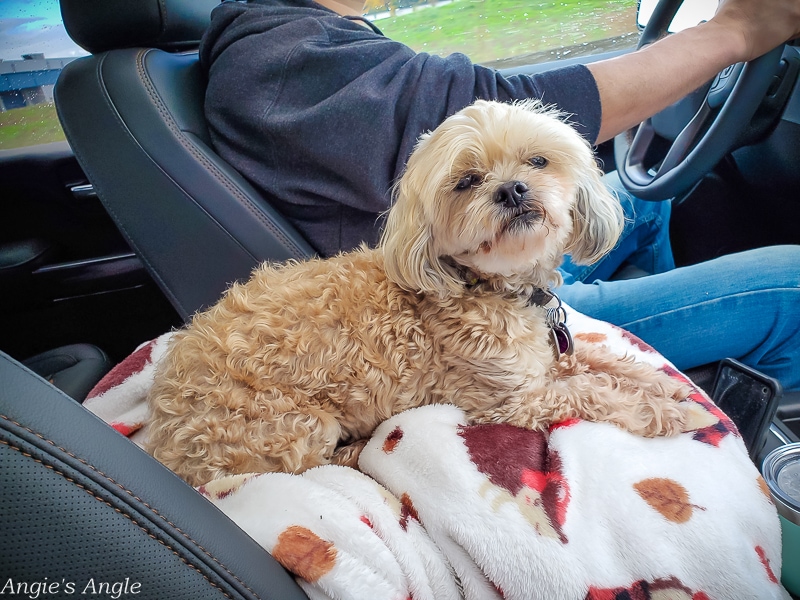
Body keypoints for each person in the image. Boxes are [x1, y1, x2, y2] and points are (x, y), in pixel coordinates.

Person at [199, 0, 800, 390]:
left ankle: (675, 360)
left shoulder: (308, 39)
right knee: (792, 284)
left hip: (490, 263)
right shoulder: (286, 61)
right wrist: (733, 31)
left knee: (646, 201)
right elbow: (501, 102)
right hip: (462, 306)